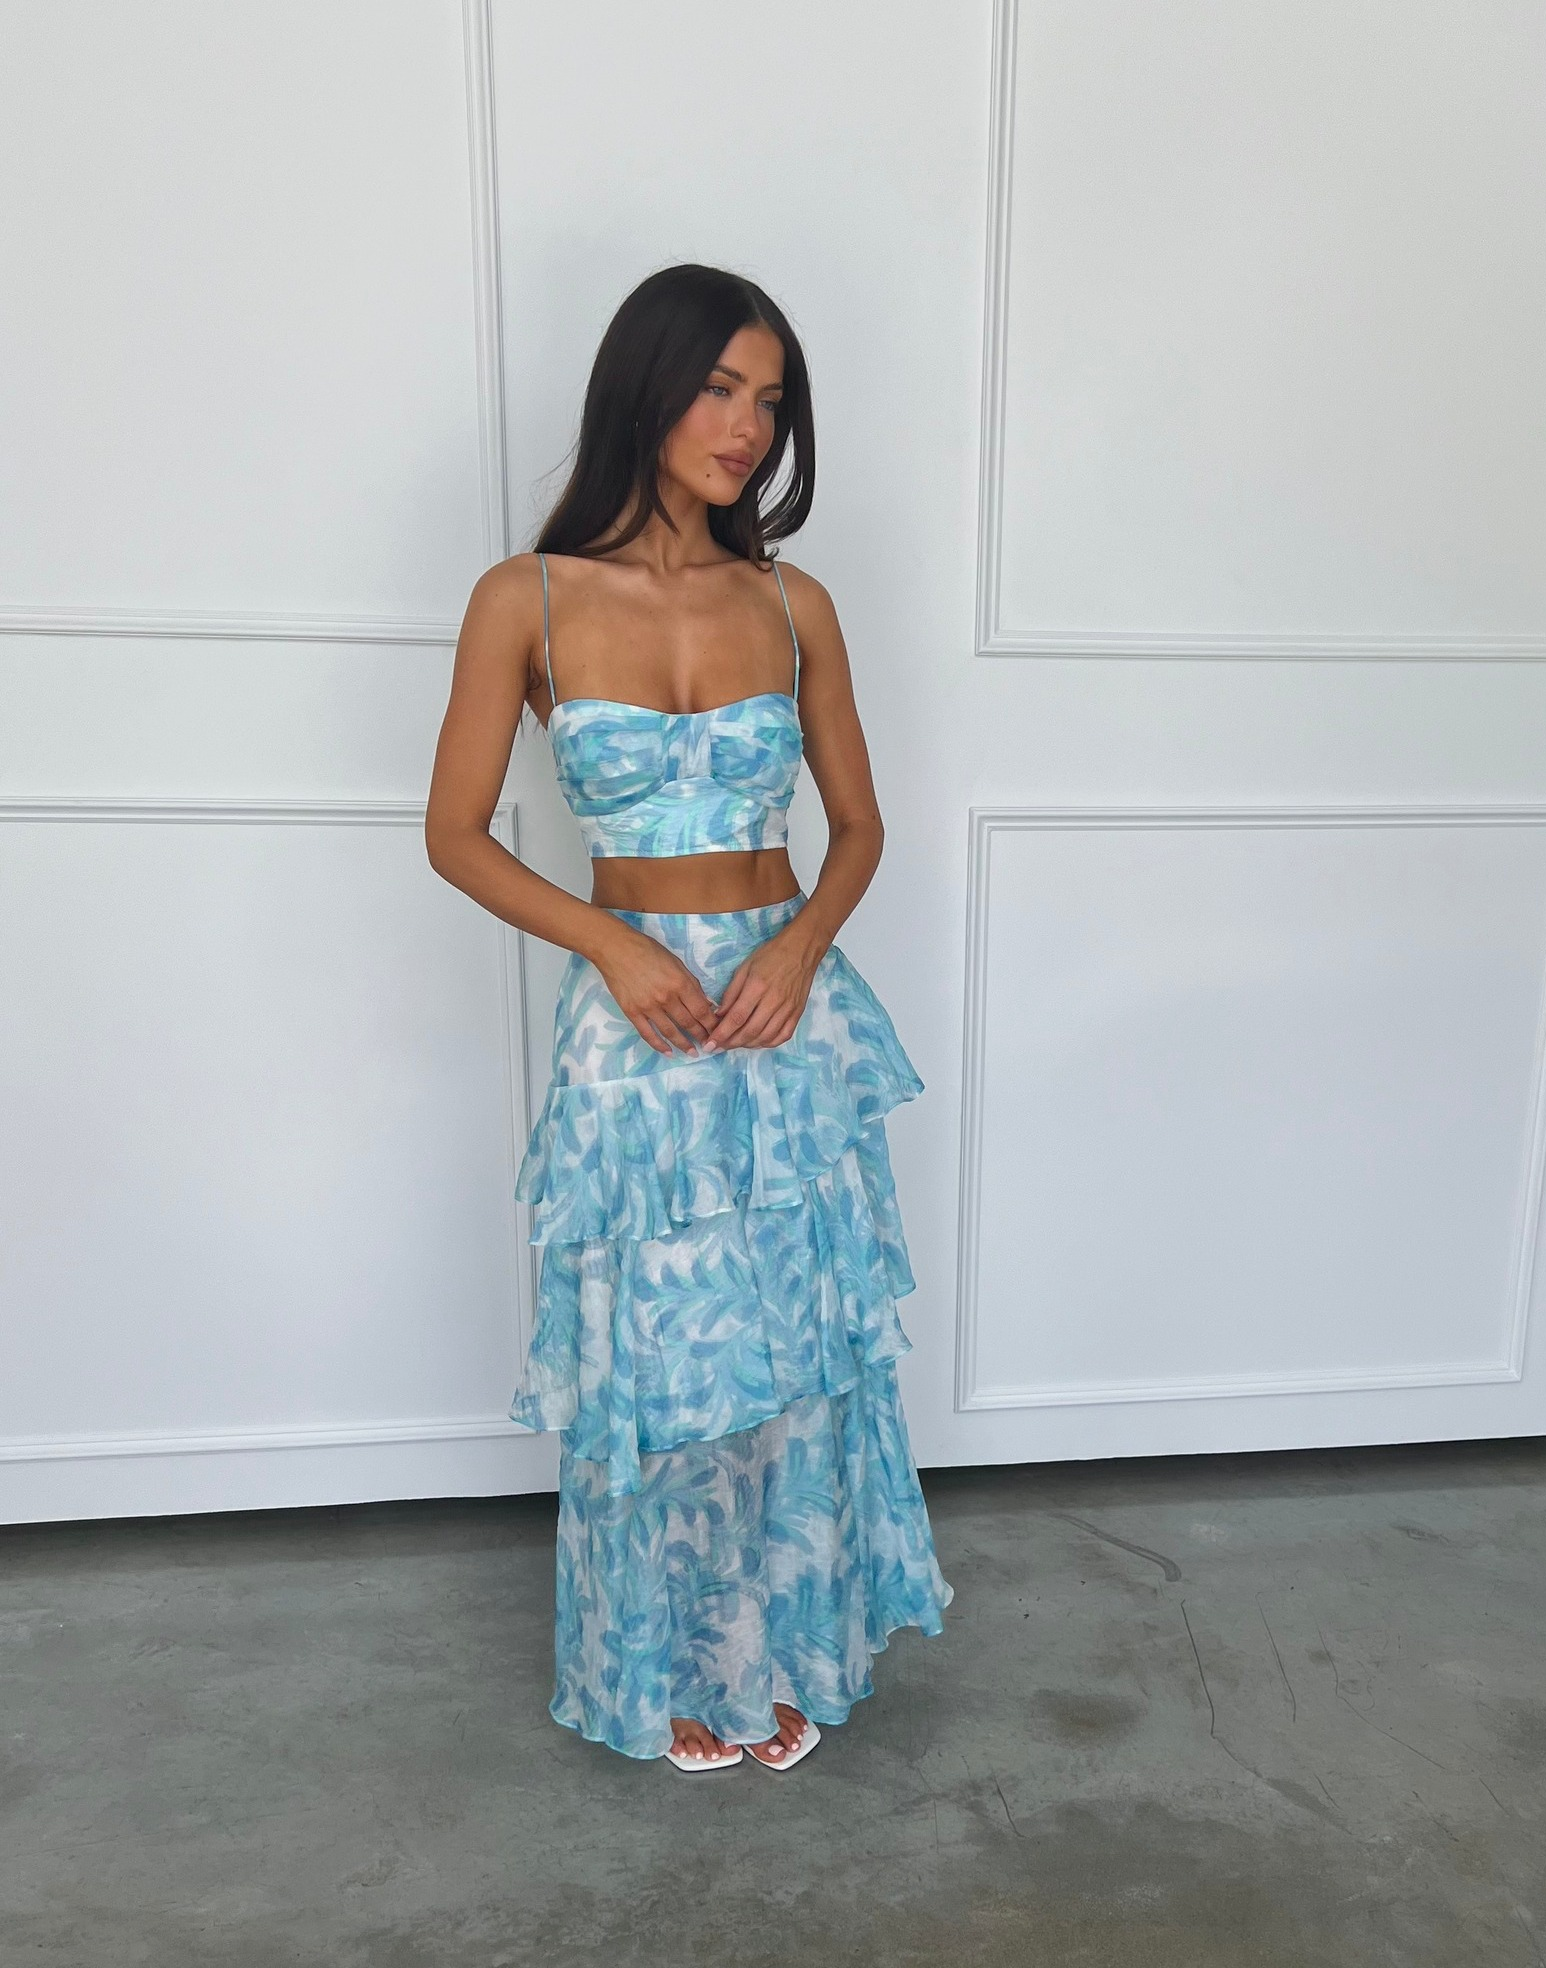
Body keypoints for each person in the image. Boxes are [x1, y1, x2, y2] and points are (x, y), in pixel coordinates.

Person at [425, 262, 953, 1773]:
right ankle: (661, 1667)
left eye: (769, 400)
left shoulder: (793, 603)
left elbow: (859, 828)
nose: (747, 427)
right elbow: (454, 834)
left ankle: (776, 1651)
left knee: (790, 1344)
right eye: (720, 387)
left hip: (785, 1014)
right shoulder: (524, 599)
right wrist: (608, 945)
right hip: (634, 1016)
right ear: (646, 389)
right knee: (655, 1355)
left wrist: (797, 951)